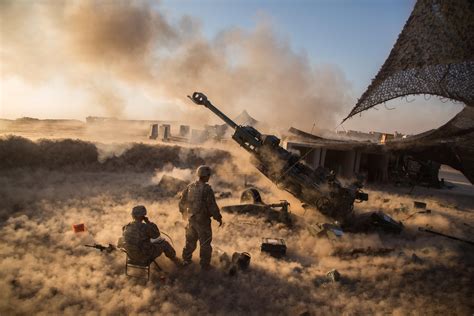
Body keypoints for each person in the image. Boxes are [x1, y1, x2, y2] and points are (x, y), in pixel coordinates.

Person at [179, 165, 223, 270]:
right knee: (205, 244)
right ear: (206, 176)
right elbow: (212, 205)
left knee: (190, 242)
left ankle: (186, 260)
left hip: (191, 220)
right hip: (202, 221)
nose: (209, 177)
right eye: (208, 175)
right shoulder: (207, 189)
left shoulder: (190, 187)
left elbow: (181, 203)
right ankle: (205, 265)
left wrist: (184, 213)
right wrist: (218, 217)